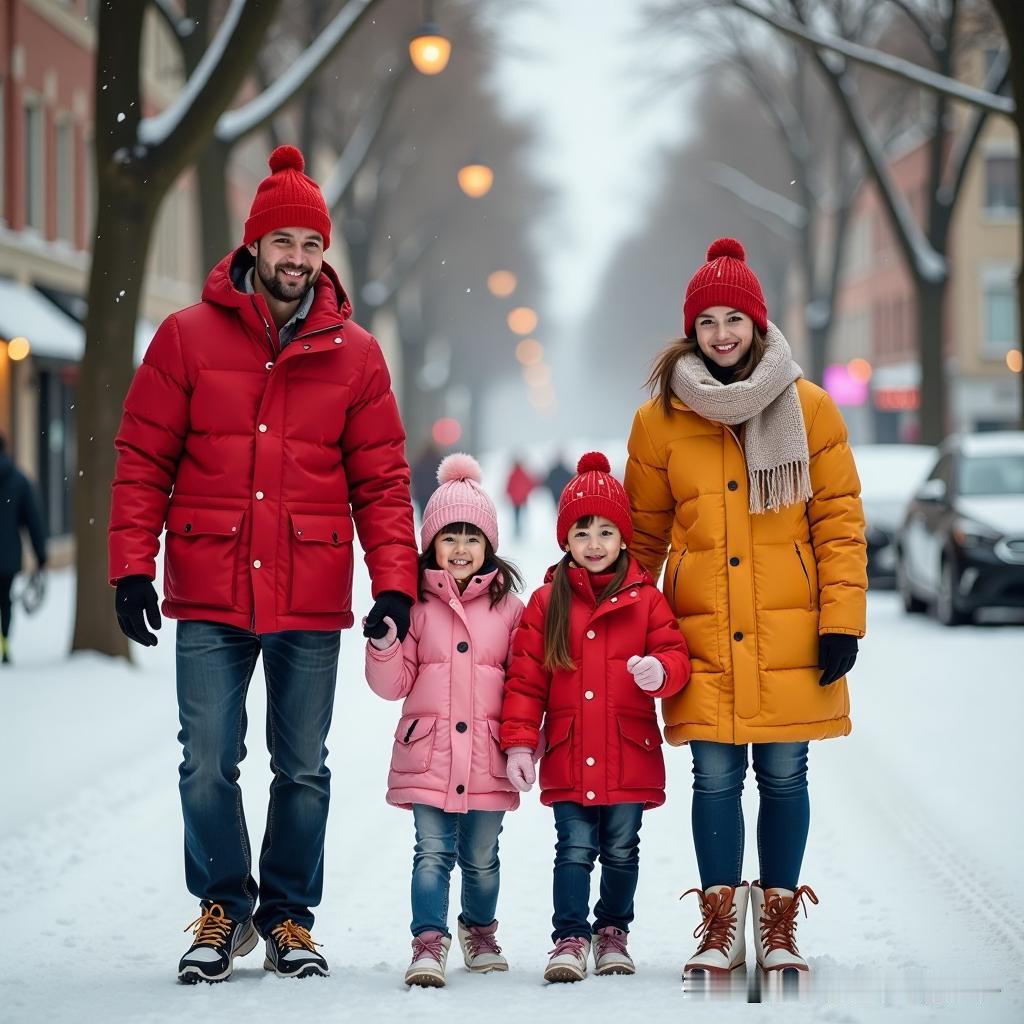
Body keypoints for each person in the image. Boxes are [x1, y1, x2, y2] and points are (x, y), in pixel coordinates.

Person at [108, 145, 419, 984]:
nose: (296, 259)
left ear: (324, 254)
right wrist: (131, 565)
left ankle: (286, 917)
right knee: (206, 759)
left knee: (303, 766)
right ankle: (222, 906)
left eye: (310, 245)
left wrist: (394, 578)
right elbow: (143, 458)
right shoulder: (185, 338)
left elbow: (383, 479)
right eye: (282, 242)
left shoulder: (355, 355)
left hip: (309, 593)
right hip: (210, 589)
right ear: (254, 247)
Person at [624, 238, 867, 982]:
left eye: (736, 319)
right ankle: (722, 922)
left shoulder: (811, 407)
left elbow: (837, 519)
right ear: (690, 332)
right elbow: (642, 535)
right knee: (714, 777)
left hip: (788, 628)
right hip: (700, 631)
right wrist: (626, 622)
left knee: (786, 775)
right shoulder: (661, 420)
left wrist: (842, 619)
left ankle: (780, 919)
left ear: (759, 326)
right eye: (708, 322)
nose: (722, 333)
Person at [500, 452, 691, 983]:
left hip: (628, 751)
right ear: (566, 540)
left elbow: (676, 655)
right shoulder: (546, 601)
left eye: (606, 531)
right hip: (568, 749)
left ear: (624, 538)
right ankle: (569, 937)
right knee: (574, 848)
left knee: (622, 849)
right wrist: (519, 742)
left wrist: (660, 671)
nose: (594, 543)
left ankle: (612, 932)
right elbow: (525, 680)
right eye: (582, 531)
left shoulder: (647, 601)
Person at [365, 453, 526, 988]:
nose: (460, 550)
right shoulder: (415, 606)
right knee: (431, 852)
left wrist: (526, 741)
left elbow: (526, 683)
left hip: (487, 754)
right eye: (449, 538)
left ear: (490, 546)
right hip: (429, 753)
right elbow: (393, 685)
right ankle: (428, 941)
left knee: (481, 857)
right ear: (430, 544)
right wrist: (386, 644)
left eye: (472, 538)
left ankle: (479, 930)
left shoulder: (509, 609)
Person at [0, 435, 47, 664]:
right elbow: (33, 521)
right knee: (4, 600)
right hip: (7, 556)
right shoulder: (18, 480)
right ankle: (5, 644)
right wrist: (41, 555)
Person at [505, 457, 536, 539]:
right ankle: (523, 530)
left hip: (515, 500)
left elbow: (508, 487)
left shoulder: (512, 474)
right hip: (523, 499)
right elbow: (531, 484)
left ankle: (517, 530)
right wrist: (526, 493)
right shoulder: (524, 473)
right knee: (524, 515)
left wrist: (509, 494)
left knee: (516, 516)